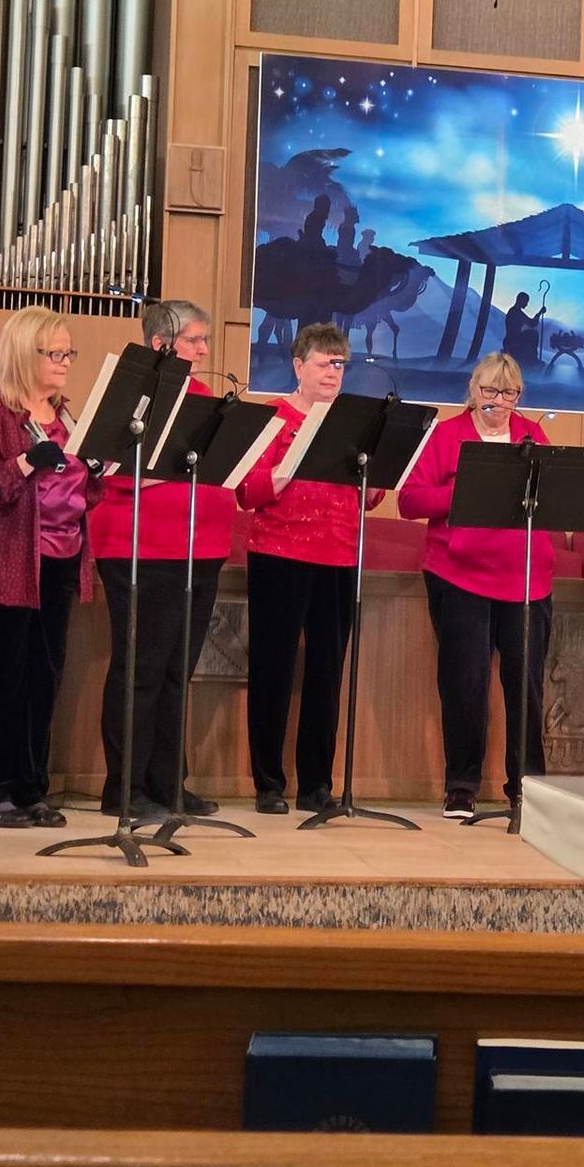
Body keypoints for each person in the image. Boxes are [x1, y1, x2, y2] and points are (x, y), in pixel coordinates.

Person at [87, 298, 234, 818]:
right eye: (194, 339)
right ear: (160, 344)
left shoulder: (203, 398)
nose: (203, 349)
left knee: (177, 672)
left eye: (205, 340)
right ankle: (124, 789)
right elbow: (104, 467)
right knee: (141, 669)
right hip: (143, 546)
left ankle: (168, 782)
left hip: (201, 549)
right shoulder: (134, 394)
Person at [398, 353, 553, 819]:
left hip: (526, 578)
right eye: (489, 391)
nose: (498, 402)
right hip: (459, 575)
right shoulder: (446, 436)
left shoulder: (533, 435)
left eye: (509, 393)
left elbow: (553, 496)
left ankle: (527, 788)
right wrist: (469, 488)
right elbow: (409, 500)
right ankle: (461, 786)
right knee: (464, 684)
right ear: (473, 389)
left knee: (526, 687)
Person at [236, 322, 379, 815]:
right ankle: (269, 782)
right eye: (324, 363)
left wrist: (373, 476)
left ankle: (317, 783)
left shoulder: (351, 422)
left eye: (340, 365)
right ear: (299, 366)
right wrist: (284, 470)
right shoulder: (273, 418)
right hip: (279, 552)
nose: (333, 373)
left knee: (326, 672)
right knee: (273, 669)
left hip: (339, 554)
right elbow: (245, 491)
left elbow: (371, 497)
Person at [0, 305, 102, 827]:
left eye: (69, 352)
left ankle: (32, 789)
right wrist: (25, 462)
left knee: (45, 680)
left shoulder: (67, 415)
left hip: (62, 560)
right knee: (4, 679)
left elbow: (80, 494)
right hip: (11, 562)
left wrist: (95, 472)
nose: (66, 361)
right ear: (27, 354)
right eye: (56, 353)